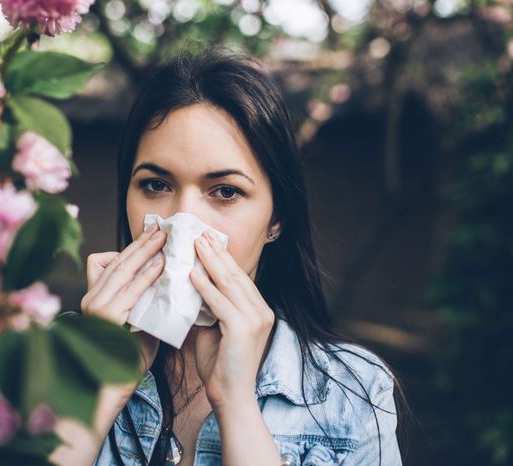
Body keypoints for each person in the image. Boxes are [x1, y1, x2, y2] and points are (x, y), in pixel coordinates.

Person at [54, 46, 407, 466]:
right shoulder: (60, 354)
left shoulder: (352, 392)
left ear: (276, 219)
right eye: (155, 185)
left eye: (225, 191)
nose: (183, 219)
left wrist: (237, 406)